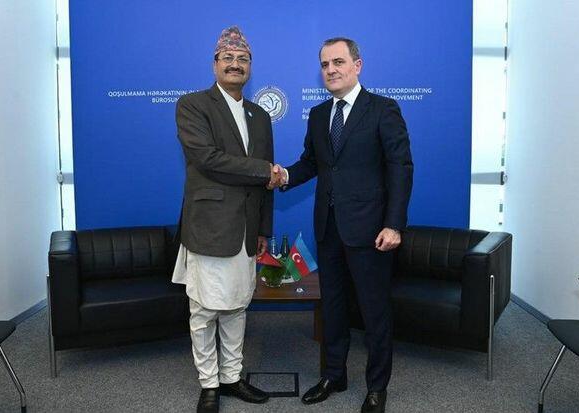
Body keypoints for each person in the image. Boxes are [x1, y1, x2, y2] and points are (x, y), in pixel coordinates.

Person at [271, 37, 413, 413]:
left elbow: (400, 168)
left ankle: (377, 387)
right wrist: (285, 175)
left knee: (374, 311)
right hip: (329, 228)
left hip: (371, 231)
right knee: (332, 308)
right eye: (325, 64)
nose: (331, 70)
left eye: (338, 62)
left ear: (357, 65)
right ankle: (334, 375)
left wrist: (394, 225)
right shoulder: (320, 115)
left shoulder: (383, 109)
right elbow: (313, 163)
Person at [172, 26, 279, 413]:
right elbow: (208, 159)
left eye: (243, 59)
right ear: (215, 64)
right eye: (228, 58)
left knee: (236, 307)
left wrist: (264, 228)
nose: (236, 64)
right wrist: (266, 170)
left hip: (247, 229)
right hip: (209, 226)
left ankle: (232, 377)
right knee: (203, 311)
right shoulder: (193, 105)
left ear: (250, 67)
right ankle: (209, 383)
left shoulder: (260, 115)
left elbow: (265, 182)